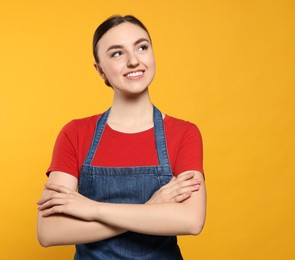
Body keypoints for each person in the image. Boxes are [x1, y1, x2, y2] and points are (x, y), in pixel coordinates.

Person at [37, 15, 206, 259]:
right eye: (117, 53)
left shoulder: (184, 133)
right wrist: (151, 210)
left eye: (142, 47)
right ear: (100, 70)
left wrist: (93, 209)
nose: (134, 60)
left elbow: (191, 220)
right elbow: (49, 231)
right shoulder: (75, 134)